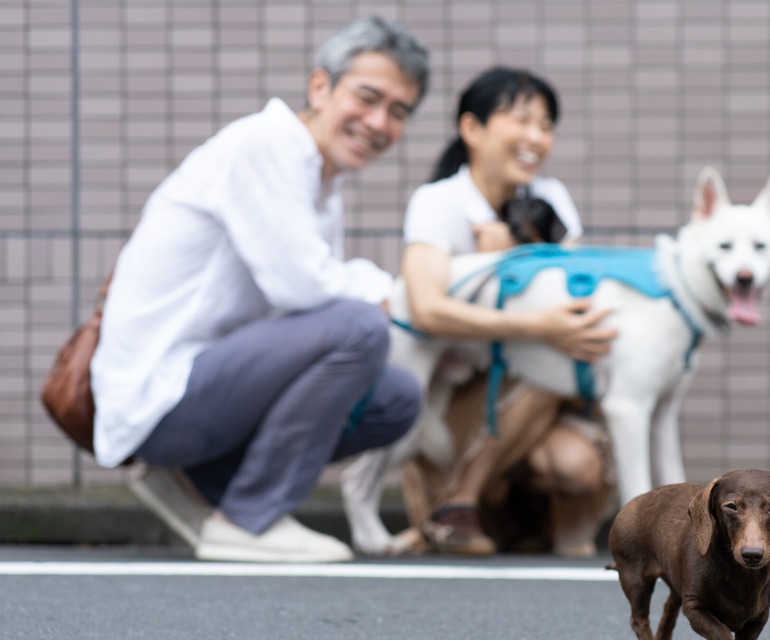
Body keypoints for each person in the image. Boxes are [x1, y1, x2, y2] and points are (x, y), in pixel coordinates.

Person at [89, 16, 430, 563]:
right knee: (359, 327)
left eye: (398, 112)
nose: (378, 122)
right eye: (368, 97)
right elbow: (303, 286)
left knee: (395, 399)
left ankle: (201, 483)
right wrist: (384, 291)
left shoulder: (319, 178)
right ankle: (248, 518)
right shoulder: (268, 144)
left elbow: (306, 292)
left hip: (204, 387)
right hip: (162, 391)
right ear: (320, 86)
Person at [396, 67, 617, 556]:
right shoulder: (438, 202)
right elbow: (427, 308)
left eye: (546, 125)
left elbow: (582, 291)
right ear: (471, 129)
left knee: (576, 464)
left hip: (533, 401)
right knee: (549, 357)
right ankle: (462, 500)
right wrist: (535, 325)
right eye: (521, 120)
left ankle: (502, 511)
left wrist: (517, 245)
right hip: (459, 391)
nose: (536, 137)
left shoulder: (550, 197)